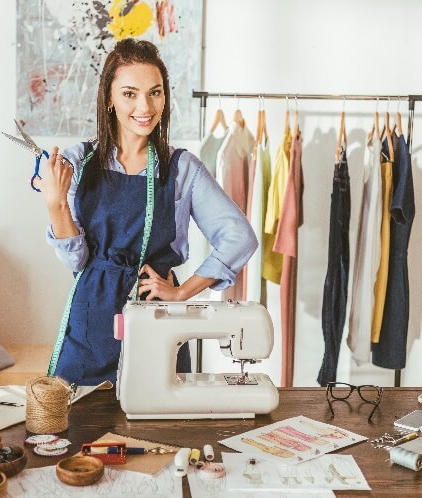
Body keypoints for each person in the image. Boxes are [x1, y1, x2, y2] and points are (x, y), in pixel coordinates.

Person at [35, 39, 256, 386]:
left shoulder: (182, 169)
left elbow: (239, 237)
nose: (145, 106)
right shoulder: (80, 161)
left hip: (157, 317)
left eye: (154, 93)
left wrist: (183, 292)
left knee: (161, 430)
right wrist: (55, 204)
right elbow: (77, 261)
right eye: (129, 93)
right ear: (109, 98)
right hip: (91, 318)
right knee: (80, 429)